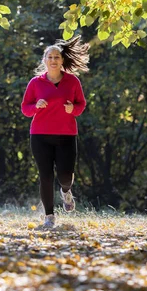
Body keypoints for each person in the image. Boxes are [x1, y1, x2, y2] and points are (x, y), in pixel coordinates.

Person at [21, 35, 89, 228]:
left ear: (62, 61)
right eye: (50, 57)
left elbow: (81, 104)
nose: (53, 60)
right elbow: (25, 109)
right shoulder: (36, 83)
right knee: (45, 175)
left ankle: (66, 191)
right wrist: (36, 106)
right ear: (44, 60)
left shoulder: (72, 82)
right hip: (40, 135)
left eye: (57, 57)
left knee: (65, 176)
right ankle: (49, 216)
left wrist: (72, 110)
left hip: (66, 134)